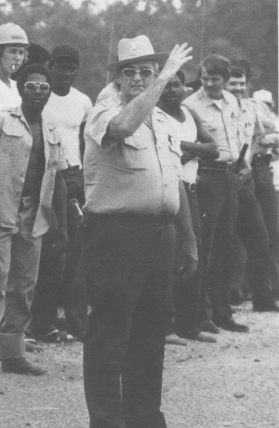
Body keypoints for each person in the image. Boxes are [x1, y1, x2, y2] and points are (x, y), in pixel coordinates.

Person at [82, 35, 196, 428]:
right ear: (116, 78)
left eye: (145, 71)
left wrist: (189, 239)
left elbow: (174, 180)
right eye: (128, 71)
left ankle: (145, 419)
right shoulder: (104, 110)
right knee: (110, 337)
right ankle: (107, 421)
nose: (138, 78)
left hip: (160, 235)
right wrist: (164, 76)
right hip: (117, 236)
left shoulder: (163, 121)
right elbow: (124, 125)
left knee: (150, 338)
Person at [0, 64, 66, 376]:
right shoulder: (0, 119)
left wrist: (61, 224)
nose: (38, 92)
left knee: (24, 284)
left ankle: (12, 353)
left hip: (33, 216)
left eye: (43, 88)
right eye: (31, 86)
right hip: (1, 211)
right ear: (20, 88)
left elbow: (58, 178)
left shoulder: (53, 130)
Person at [183, 55, 276, 334]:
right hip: (206, 176)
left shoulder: (233, 102)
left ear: (225, 80)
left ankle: (223, 314)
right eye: (205, 78)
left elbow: (237, 137)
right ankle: (200, 314)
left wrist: (242, 164)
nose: (209, 84)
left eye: (215, 79)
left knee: (226, 247)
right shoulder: (191, 105)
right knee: (205, 246)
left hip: (231, 178)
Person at [29, 45, 92, 343]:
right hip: (48, 175)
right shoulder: (43, 95)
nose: (65, 73)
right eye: (60, 66)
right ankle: (42, 322)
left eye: (71, 67)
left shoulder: (83, 101)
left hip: (74, 175)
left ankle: (77, 322)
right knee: (50, 251)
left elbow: (84, 140)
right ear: (50, 66)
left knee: (75, 253)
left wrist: (84, 179)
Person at [157, 70, 219, 345]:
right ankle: (165, 326)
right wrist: (195, 150)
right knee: (170, 258)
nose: (173, 90)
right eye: (168, 86)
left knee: (193, 256)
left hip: (191, 191)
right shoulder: (157, 116)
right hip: (170, 192)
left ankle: (189, 323)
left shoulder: (189, 114)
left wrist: (185, 146)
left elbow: (213, 148)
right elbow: (168, 158)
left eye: (178, 85)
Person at [225, 63, 279, 301]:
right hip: (232, 169)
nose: (238, 87)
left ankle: (265, 290)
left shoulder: (255, 106)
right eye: (233, 83)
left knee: (265, 228)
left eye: (241, 83)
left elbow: (271, 131)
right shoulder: (223, 105)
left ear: (248, 84)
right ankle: (235, 289)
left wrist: (258, 146)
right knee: (236, 232)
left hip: (255, 165)